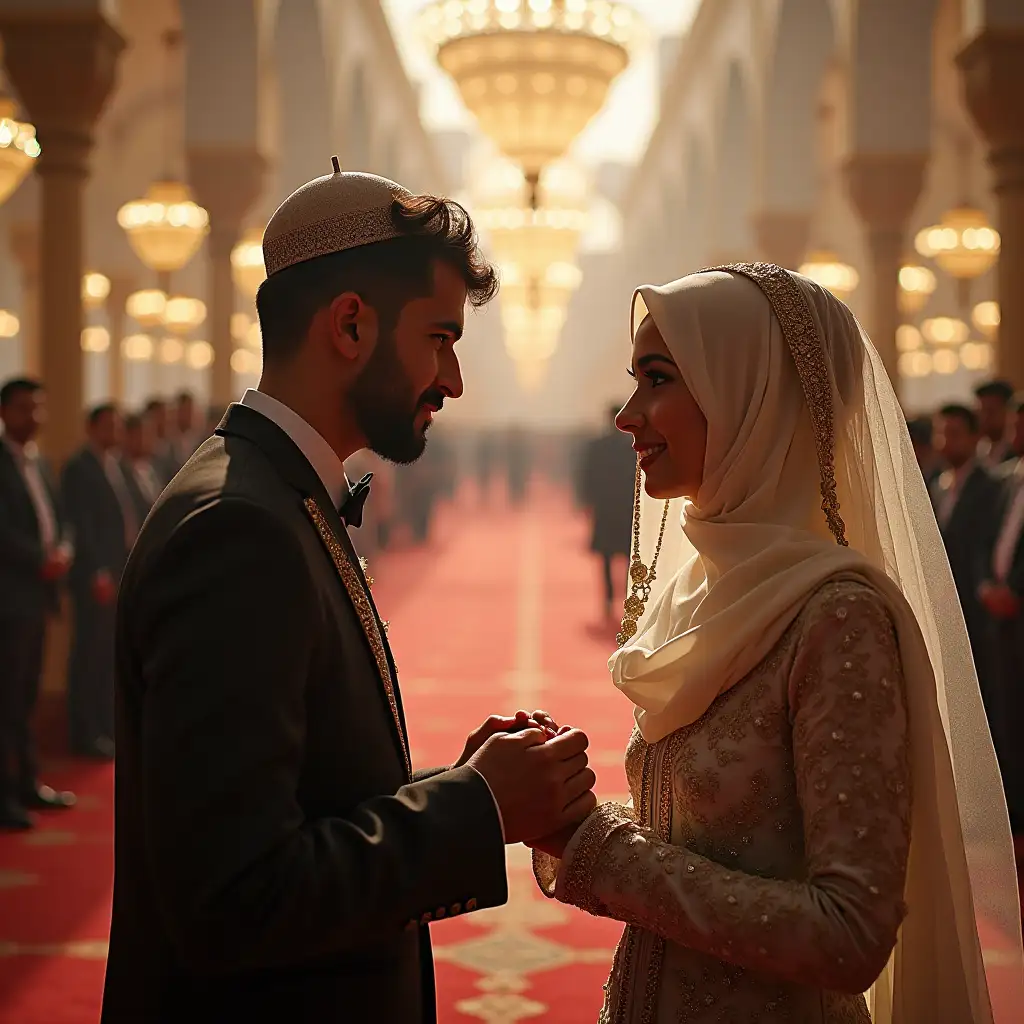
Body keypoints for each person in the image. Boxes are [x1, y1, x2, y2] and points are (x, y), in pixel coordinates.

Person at [100, 164, 597, 1024]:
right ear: (352, 325)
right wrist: (477, 808)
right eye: (440, 338)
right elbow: (235, 901)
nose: (455, 378)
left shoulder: (273, 492)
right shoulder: (238, 528)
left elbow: (301, 803)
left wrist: (460, 782)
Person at [528, 264, 1023, 1022]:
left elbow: (848, 933)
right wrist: (571, 811)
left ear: (751, 397)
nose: (628, 415)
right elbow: (719, 835)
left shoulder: (836, 617)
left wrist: (600, 849)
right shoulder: (713, 585)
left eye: (657, 379)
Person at [0, 378, 75, 829]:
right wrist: (40, 559)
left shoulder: (41, 462)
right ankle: (5, 796)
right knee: (6, 701)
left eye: (40, 408)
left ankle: (28, 783)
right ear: (5, 412)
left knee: (26, 697)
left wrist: (64, 549)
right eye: (26, 408)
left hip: (38, 597)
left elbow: (59, 518)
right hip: (10, 598)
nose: (36, 417)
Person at [62, 403, 136, 759]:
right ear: (91, 428)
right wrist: (97, 572)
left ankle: (104, 726)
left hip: (118, 571)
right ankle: (84, 731)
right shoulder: (80, 467)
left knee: (106, 656)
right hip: (96, 578)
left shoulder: (115, 464)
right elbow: (82, 525)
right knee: (88, 656)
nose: (115, 432)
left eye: (118, 426)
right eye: (108, 426)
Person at [930, 403, 1000, 705]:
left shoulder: (993, 486)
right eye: (942, 433)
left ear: (974, 438)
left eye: (955, 434)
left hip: (978, 613)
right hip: (943, 609)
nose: (946, 441)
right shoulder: (936, 487)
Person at [978, 393, 1024, 836]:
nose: (1014, 433)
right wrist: (987, 586)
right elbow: (987, 541)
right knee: (1006, 716)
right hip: (1000, 621)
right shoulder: (1009, 480)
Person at [580, 403, 636, 620]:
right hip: (625, 508)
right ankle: (629, 597)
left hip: (605, 507)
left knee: (606, 556)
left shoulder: (597, 446)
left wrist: (587, 500)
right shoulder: (631, 446)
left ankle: (608, 599)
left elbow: (587, 475)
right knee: (630, 554)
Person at [975, 379, 1016, 468]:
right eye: (981, 412)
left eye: (990, 412)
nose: (984, 418)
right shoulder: (978, 451)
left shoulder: (1016, 450)